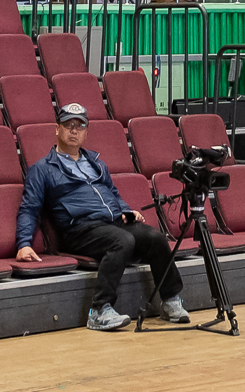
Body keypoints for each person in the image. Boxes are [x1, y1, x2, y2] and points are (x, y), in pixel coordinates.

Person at [15, 102, 188, 331]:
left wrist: (126, 209)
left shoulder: (96, 163)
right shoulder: (42, 169)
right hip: (79, 229)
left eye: (80, 126)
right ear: (57, 129)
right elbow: (29, 208)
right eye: (68, 125)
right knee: (121, 240)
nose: (74, 130)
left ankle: (170, 300)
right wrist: (24, 244)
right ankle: (98, 310)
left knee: (155, 238)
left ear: (86, 132)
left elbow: (113, 193)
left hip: (112, 223)